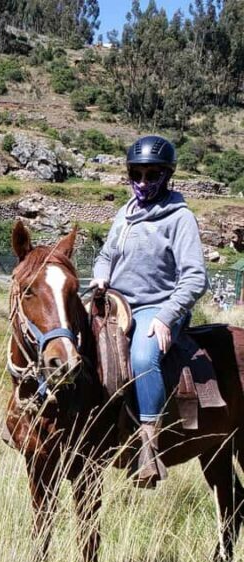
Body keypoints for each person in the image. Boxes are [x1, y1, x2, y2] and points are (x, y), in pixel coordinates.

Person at [91, 135, 208, 487]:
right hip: (117, 302)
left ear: (166, 176)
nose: (143, 183)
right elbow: (106, 256)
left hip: (157, 306)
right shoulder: (124, 215)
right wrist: (100, 278)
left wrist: (165, 316)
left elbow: (195, 277)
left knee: (143, 357)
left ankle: (148, 446)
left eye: (152, 175)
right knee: (69, 338)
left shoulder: (179, 217)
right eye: (137, 174)